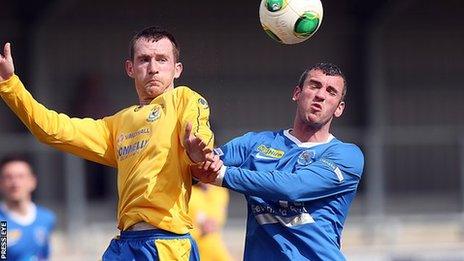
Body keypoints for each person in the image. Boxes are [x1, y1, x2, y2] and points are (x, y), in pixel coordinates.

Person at [0, 26, 220, 260]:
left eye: (162, 60)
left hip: (167, 243)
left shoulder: (183, 99)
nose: (153, 68)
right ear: (130, 68)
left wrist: (198, 153)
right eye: (144, 60)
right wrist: (10, 85)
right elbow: (53, 130)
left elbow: (198, 138)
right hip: (125, 245)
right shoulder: (117, 124)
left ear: (177, 70)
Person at [192, 63, 364, 260]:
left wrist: (222, 175)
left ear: (339, 108)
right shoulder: (253, 144)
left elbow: (294, 187)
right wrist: (196, 158)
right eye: (314, 86)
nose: (321, 95)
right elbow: (201, 164)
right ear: (297, 93)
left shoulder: (346, 155)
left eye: (331, 92)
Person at [0, 155, 56, 261]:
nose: (15, 183)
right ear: (1, 183)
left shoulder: (46, 218)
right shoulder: (2, 223)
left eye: (20, 176)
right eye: (8, 177)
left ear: (32, 182)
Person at [189, 182, 233, 261]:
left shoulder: (220, 192)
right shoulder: (188, 193)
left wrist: (214, 223)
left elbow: (220, 214)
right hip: (193, 246)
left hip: (213, 243)